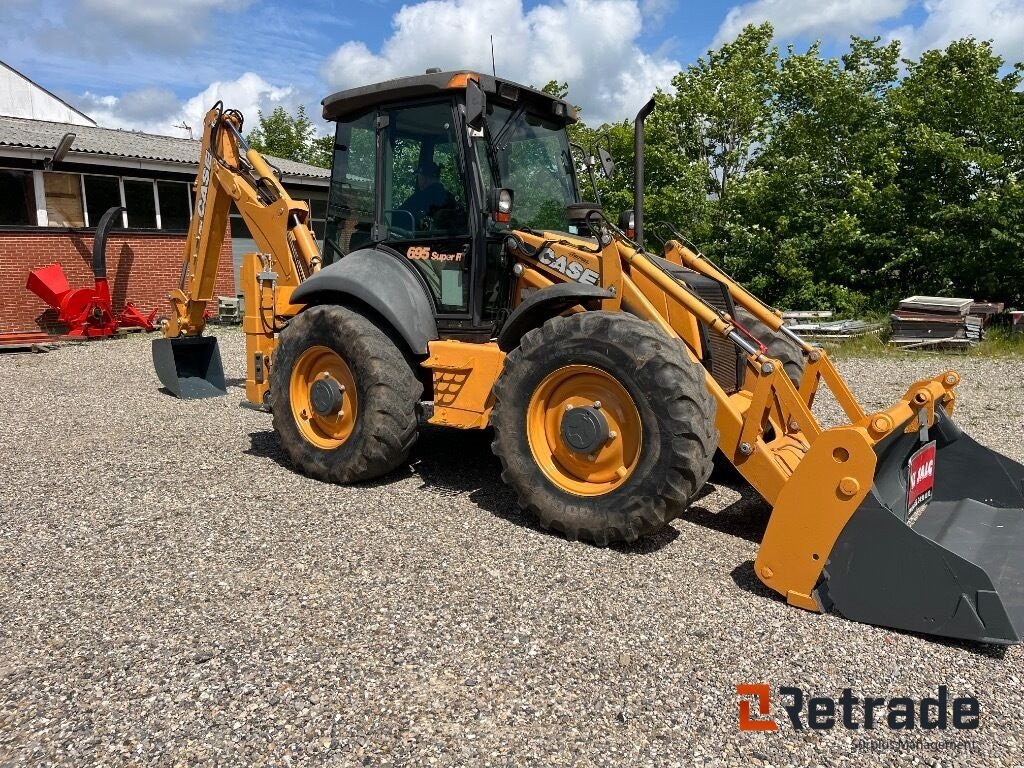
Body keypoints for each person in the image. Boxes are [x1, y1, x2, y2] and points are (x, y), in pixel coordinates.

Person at [399, 160, 451, 226]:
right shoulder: (449, 196)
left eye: (418, 176)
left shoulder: (420, 198)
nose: (418, 180)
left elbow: (397, 217)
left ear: (423, 178)